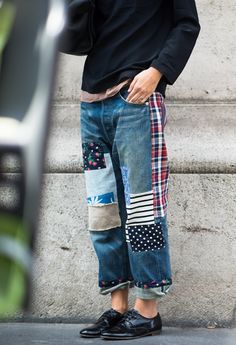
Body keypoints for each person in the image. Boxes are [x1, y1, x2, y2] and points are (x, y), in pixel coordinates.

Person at [79, 0, 201, 340]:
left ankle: (147, 308)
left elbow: (188, 25)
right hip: (92, 103)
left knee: (143, 208)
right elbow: (74, 36)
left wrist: (156, 72)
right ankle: (119, 306)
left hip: (137, 101)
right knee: (103, 209)